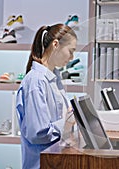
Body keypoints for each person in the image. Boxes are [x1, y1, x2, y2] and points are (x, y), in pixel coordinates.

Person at [16, 23, 77, 169]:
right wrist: (67, 124)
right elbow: (38, 133)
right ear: (56, 44)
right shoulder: (36, 81)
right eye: (71, 51)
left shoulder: (54, 78)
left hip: (55, 160)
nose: (72, 57)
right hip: (41, 163)